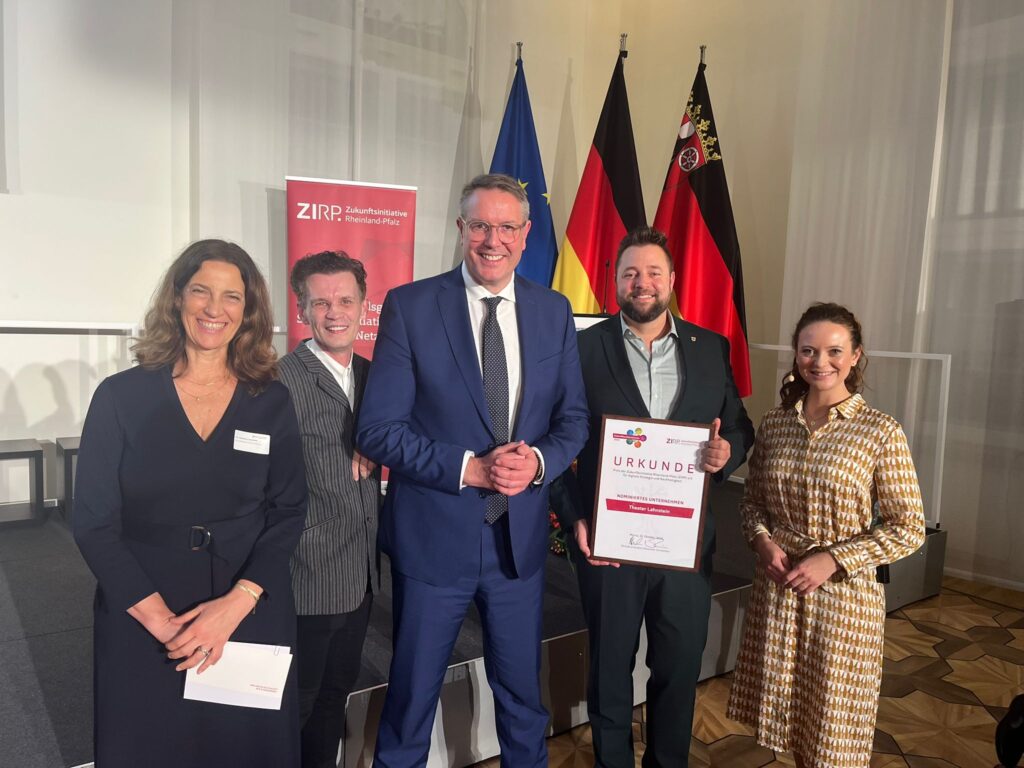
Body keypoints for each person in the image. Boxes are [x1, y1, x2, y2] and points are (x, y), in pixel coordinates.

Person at [355, 173, 590, 767]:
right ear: (461, 229)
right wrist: (470, 469)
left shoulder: (553, 311)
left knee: (523, 700)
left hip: (519, 545)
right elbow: (378, 430)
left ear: (526, 233)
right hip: (434, 541)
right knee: (411, 700)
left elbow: (573, 420)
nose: (493, 240)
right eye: (481, 225)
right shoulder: (411, 306)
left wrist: (538, 461)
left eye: (507, 227)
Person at [72, 239, 308, 767]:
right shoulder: (121, 396)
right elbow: (92, 522)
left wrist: (237, 604)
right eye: (201, 290)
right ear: (177, 297)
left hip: (246, 602)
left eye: (231, 296)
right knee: (150, 745)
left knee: (243, 750)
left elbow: (290, 509)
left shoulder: (270, 399)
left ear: (247, 311)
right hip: (145, 607)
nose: (213, 308)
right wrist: (164, 623)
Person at [552, 226, 755, 767]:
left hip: (683, 548)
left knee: (679, 668)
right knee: (609, 671)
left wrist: (727, 453)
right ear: (615, 282)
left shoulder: (710, 348)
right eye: (630, 273)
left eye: (653, 272)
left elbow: (740, 427)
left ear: (672, 279)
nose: (642, 283)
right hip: (609, 545)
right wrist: (574, 517)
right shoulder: (580, 348)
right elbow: (551, 439)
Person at [726, 302, 926, 768]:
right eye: (808, 350)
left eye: (834, 351)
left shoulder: (880, 431)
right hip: (780, 590)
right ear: (796, 354)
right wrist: (762, 541)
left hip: (843, 601)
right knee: (796, 722)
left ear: (855, 356)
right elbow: (752, 502)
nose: (820, 362)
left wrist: (834, 559)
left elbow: (909, 527)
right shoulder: (776, 423)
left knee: (832, 734)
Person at [278, 251, 382, 768]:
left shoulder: (375, 375)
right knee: (296, 703)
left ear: (364, 305)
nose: (334, 312)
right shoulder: (279, 381)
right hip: (308, 574)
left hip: (361, 573)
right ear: (302, 310)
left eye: (345, 300)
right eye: (321, 303)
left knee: (335, 693)